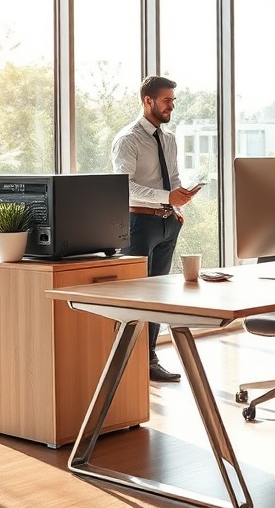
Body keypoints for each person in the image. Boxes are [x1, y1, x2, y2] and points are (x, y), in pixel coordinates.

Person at [111, 76, 202, 383]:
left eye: (173, 100)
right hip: (138, 224)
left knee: (158, 295)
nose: (171, 105)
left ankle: (149, 358)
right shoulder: (128, 139)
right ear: (148, 101)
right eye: (166, 100)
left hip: (166, 224)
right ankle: (126, 361)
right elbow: (122, 187)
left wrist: (177, 202)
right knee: (137, 295)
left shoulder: (169, 138)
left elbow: (173, 177)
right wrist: (166, 197)